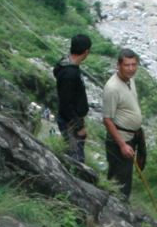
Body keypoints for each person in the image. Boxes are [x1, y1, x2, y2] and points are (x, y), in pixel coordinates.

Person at [102, 48, 146, 200]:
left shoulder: (130, 80)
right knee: (120, 179)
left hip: (131, 137)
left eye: (134, 65)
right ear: (118, 65)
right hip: (120, 140)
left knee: (125, 176)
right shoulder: (112, 88)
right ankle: (117, 208)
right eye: (127, 65)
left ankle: (117, 204)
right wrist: (122, 145)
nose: (131, 69)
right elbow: (107, 119)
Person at [54, 33, 92, 164]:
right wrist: (79, 126)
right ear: (86, 51)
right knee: (76, 159)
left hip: (70, 118)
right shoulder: (70, 74)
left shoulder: (65, 64)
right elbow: (66, 105)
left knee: (72, 153)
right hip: (70, 122)